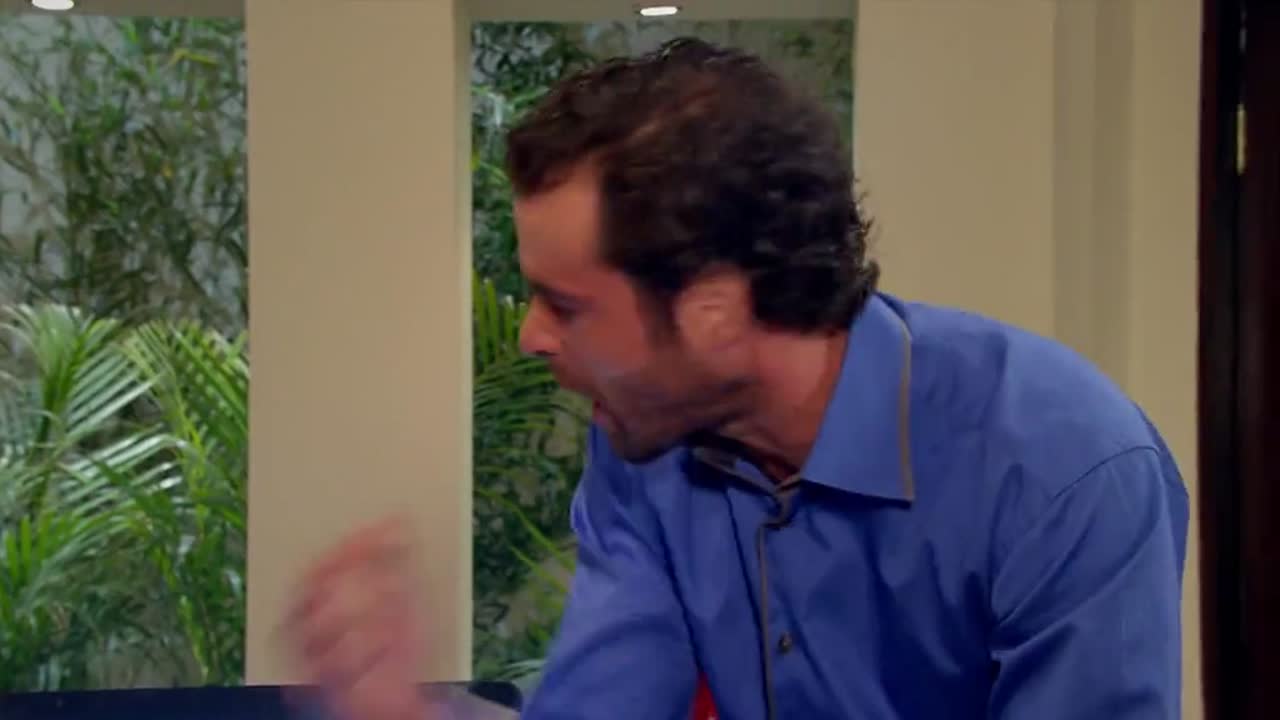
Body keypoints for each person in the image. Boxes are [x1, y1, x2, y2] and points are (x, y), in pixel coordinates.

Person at [287, 37, 1190, 720]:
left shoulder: (1065, 471)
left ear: (713, 311)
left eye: (565, 304)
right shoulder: (642, 454)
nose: (530, 337)